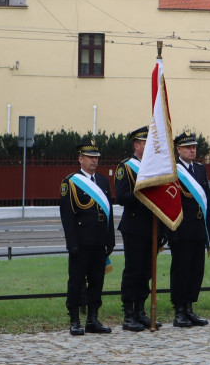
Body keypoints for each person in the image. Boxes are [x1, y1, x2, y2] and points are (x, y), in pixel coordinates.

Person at [59, 140, 115, 336]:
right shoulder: (71, 182)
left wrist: (110, 239)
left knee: (97, 281)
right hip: (81, 242)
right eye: (90, 157)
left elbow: (108, 212)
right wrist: (72, 243)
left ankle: (92, 319)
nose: (94, 161)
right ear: (80, 159)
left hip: (99, 241)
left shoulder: (103, 181)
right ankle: (75, 320)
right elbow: (67, 216)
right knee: (76, 281)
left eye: (96, 157)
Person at [115, 126, 161, 332]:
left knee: (146, 272)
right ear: (137, 145)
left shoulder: (155, 167)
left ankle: (141, 311)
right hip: (134, 226)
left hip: (152, 226)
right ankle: (129, 314)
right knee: (133, 271)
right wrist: (142, 192)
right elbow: (121, 198)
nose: (149, 146)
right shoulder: (125, 167)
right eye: (146, 143)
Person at [168, 130, 210, 328]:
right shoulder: (173, 171)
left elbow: (207, 199)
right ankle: (179, 309)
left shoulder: (200, 170)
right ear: (179, 149)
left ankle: (189, 307)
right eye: (188, 147)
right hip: (181, 228)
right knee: (181, 269)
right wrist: (172, 231)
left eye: (194, 147)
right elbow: (171, 202)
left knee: (196, 269)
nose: (192, 150)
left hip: (198, 227)